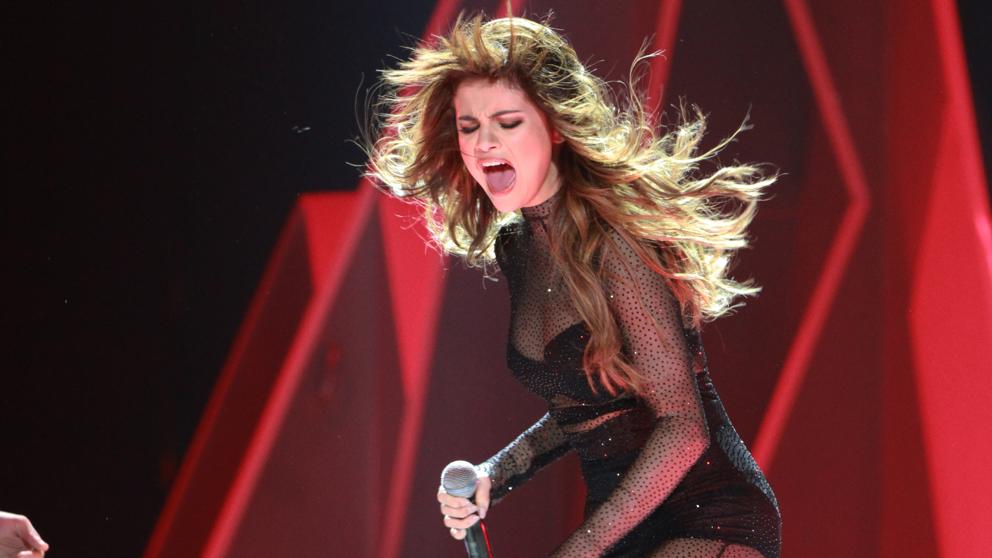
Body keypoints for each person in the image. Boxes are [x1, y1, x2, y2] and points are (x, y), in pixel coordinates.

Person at [365, 13, 781, 558]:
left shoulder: (616, 243)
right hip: (618, 523)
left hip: (709, 519)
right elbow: (584, 408)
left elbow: (683, 427)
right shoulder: (517, 250)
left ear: (556, 127)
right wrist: (495, 473)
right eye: (469, 127)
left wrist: (579, 550)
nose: (484, 143)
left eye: (507, 123)